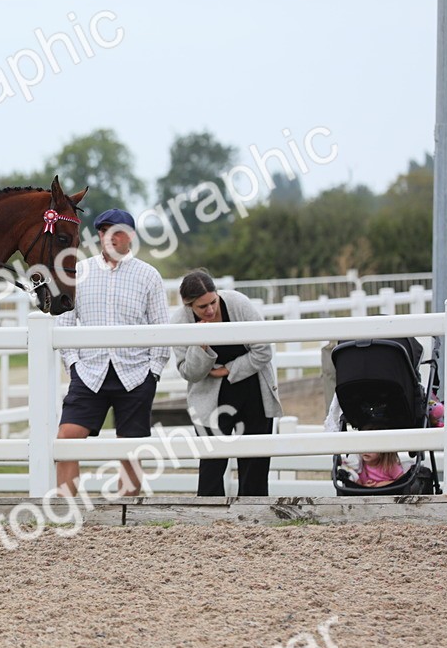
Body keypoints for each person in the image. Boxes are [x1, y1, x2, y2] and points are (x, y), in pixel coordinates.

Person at [54, 209, 170, 497]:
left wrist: (152, 373)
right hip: (90, 372)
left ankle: (125, 515)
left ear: (130, 236)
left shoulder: (148, 276)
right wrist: (74, 366)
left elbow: (161, 330)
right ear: (100, 236)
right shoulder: (79, 273)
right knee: (66, 438)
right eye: (107, 231)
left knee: (130, 449)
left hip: (135, 373)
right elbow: (64, 323)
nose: (112, 237)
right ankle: (66, 508)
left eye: (119, 231)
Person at [172, 269, 283, 496]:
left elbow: (263, 351)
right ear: (188, 305)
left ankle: (254, 515)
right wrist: (200, 346)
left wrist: (227, 370)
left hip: (253, 389)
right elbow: (188, 372)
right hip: (210, 396)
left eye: (213, 302)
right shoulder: (180, 321)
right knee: (212, 463)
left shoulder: (239, 304)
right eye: (202, 307)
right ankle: (209, 517)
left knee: (255, 461)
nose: (210, 310)